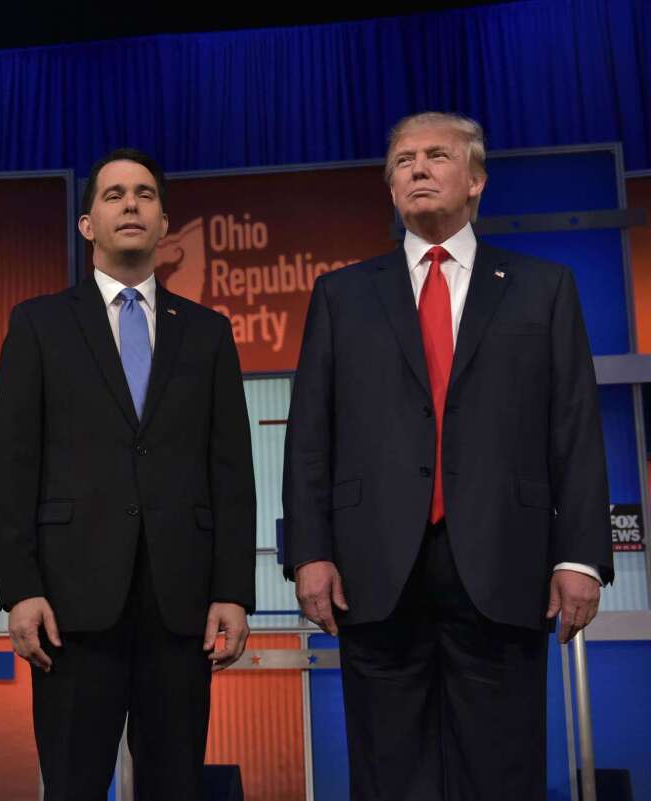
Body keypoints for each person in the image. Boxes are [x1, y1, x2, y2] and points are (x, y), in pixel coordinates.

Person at [284, 111, 613, 800]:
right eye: (403, 160)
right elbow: (311, 433)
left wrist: (579, 555)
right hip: (375, 568)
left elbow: (575, 428)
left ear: (476, 181)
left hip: (504, 561)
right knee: (389, 772)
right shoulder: (342, 295)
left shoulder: (542, 288)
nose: (418, 169)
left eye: (437, 155)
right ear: (390, 187)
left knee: (502, 770)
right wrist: (310, 551)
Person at [0, 148, 257, 801]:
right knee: (74, 785)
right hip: (70, 607)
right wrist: (19, 588)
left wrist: (234, 589)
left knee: (175, 785)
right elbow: (14, 464)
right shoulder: (38, 324)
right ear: (87, 224)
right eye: (114, 195)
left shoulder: (208, 332)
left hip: (182, 605)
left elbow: (231, 470)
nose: (131, 204)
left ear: (165, 221)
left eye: (143, 194)